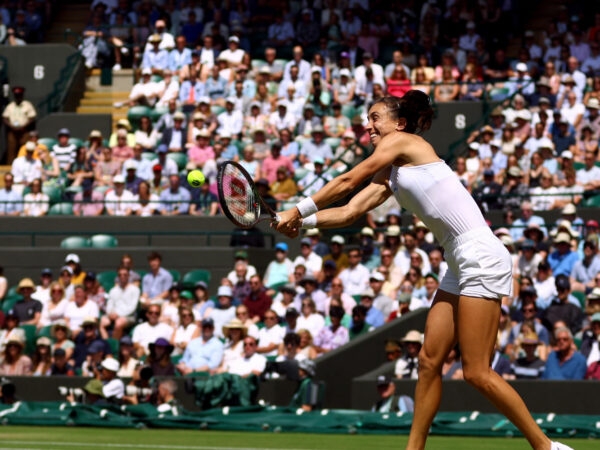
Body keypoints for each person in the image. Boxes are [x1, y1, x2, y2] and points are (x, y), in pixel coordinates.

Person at [274, 91, 571, 450]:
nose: (368, 125)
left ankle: (547, 447)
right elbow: (349, 211)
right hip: (459, 260)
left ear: (398, 124)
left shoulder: (404, 142)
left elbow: (347, 180)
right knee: (429, 361)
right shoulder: (392, 173)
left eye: (375, 117)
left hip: (479, 253)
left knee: (476, 371)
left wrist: (297, 208)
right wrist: (298, 223)